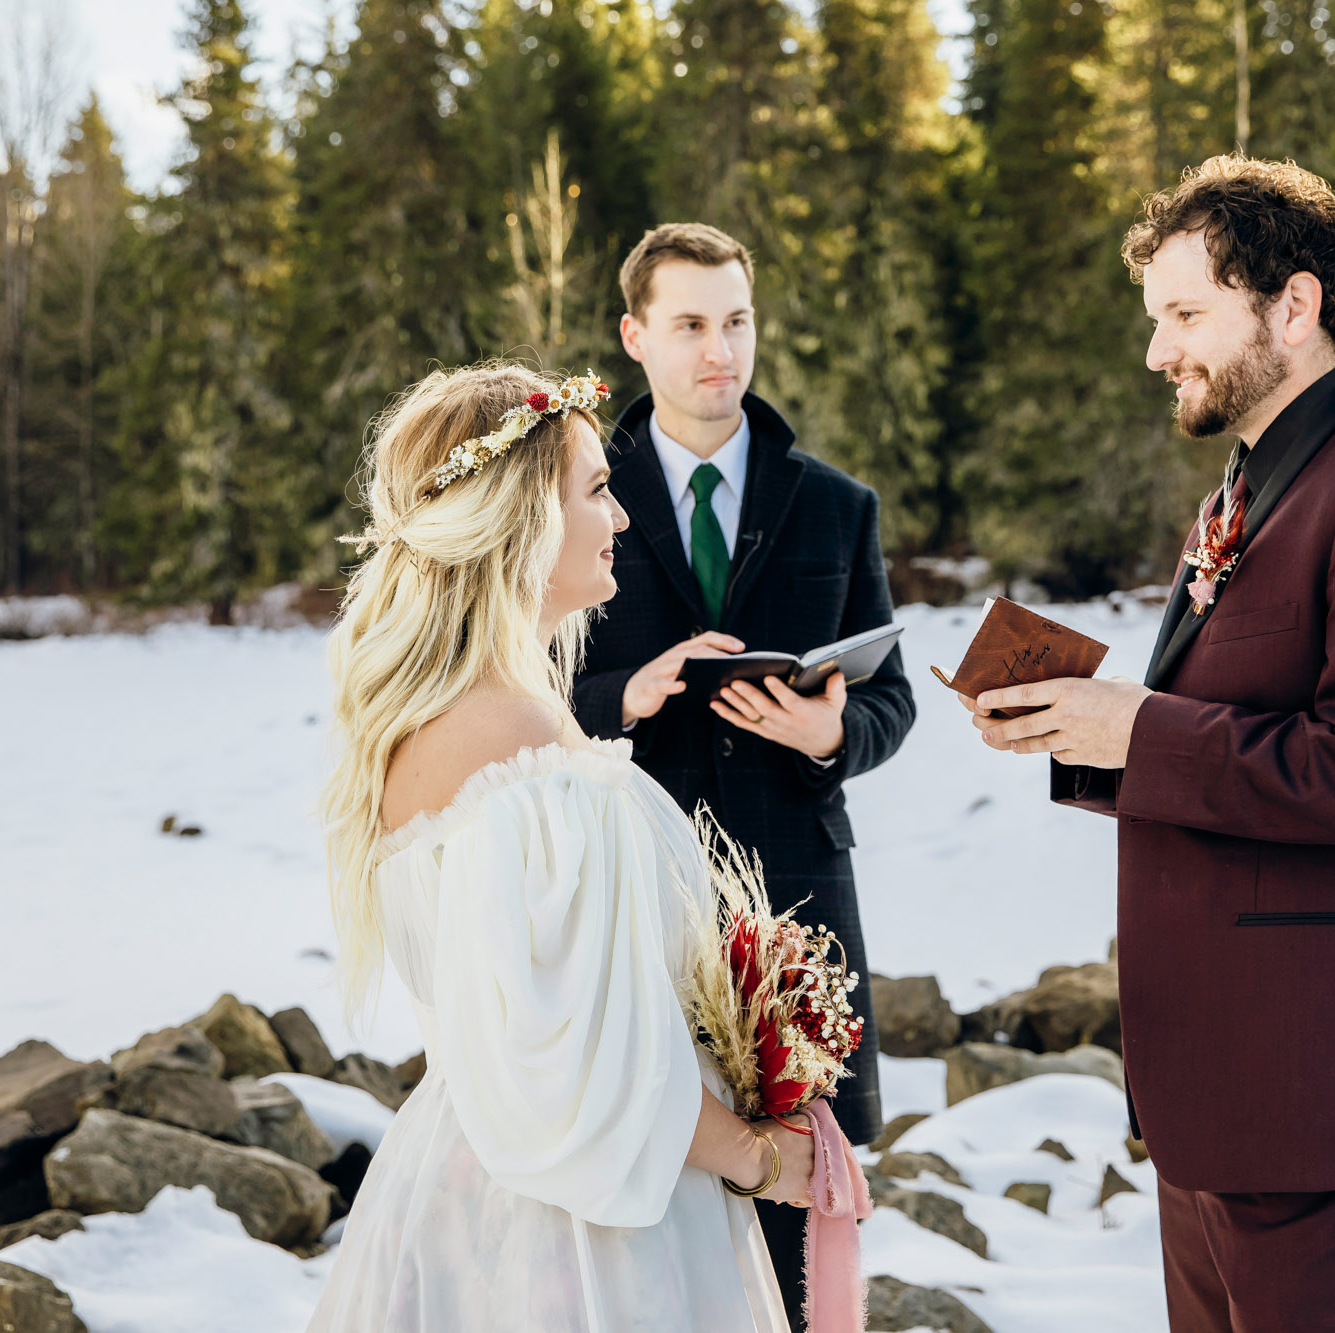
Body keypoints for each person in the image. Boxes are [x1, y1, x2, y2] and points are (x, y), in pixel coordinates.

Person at [960, 156, 1335, 1332]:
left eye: (1186, 316)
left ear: (1291, 308)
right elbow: (1238, 741)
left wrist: (1141, 729)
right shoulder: (1251, 489)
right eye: (1156, 321)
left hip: (1330, 1115)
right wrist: (1082, 732)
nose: (1158, 352)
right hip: (1220, 1110)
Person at [307, 361, 803, 1332]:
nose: (620, 518)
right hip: (572, 1239)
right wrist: (765, 1156)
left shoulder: (458, 723)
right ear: (521, 516)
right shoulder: (519, 751)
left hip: (473, 1193)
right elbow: (587, 1063)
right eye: (596, 489)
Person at [571, 223, 916, 1329]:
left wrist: (828, 732)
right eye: (689, 325)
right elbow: (523, 684)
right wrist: (627, 692)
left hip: (798, 911)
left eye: (736, 321)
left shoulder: (835, 505)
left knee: (793, 1216)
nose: (719, 350)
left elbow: (889, 699)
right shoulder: (576, 494)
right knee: (647, 1190)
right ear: (636, 336)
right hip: (637, 901)